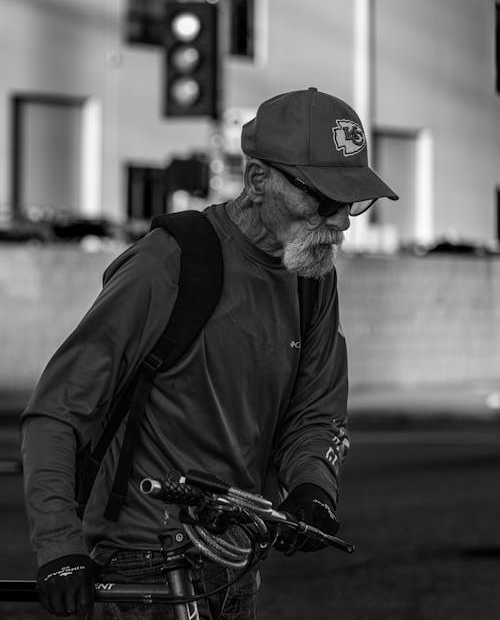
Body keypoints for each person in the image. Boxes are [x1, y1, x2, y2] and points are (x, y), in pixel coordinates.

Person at [20, 87, 398, 620]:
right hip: (140, 566)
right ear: (259, 180)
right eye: (324, 198)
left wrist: (314, 484)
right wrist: (60, 549)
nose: (341, 222)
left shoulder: (312, 277)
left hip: (235, 564)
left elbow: (315, 410)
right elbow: (57, 410)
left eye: (352, 201)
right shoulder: (169, 263)